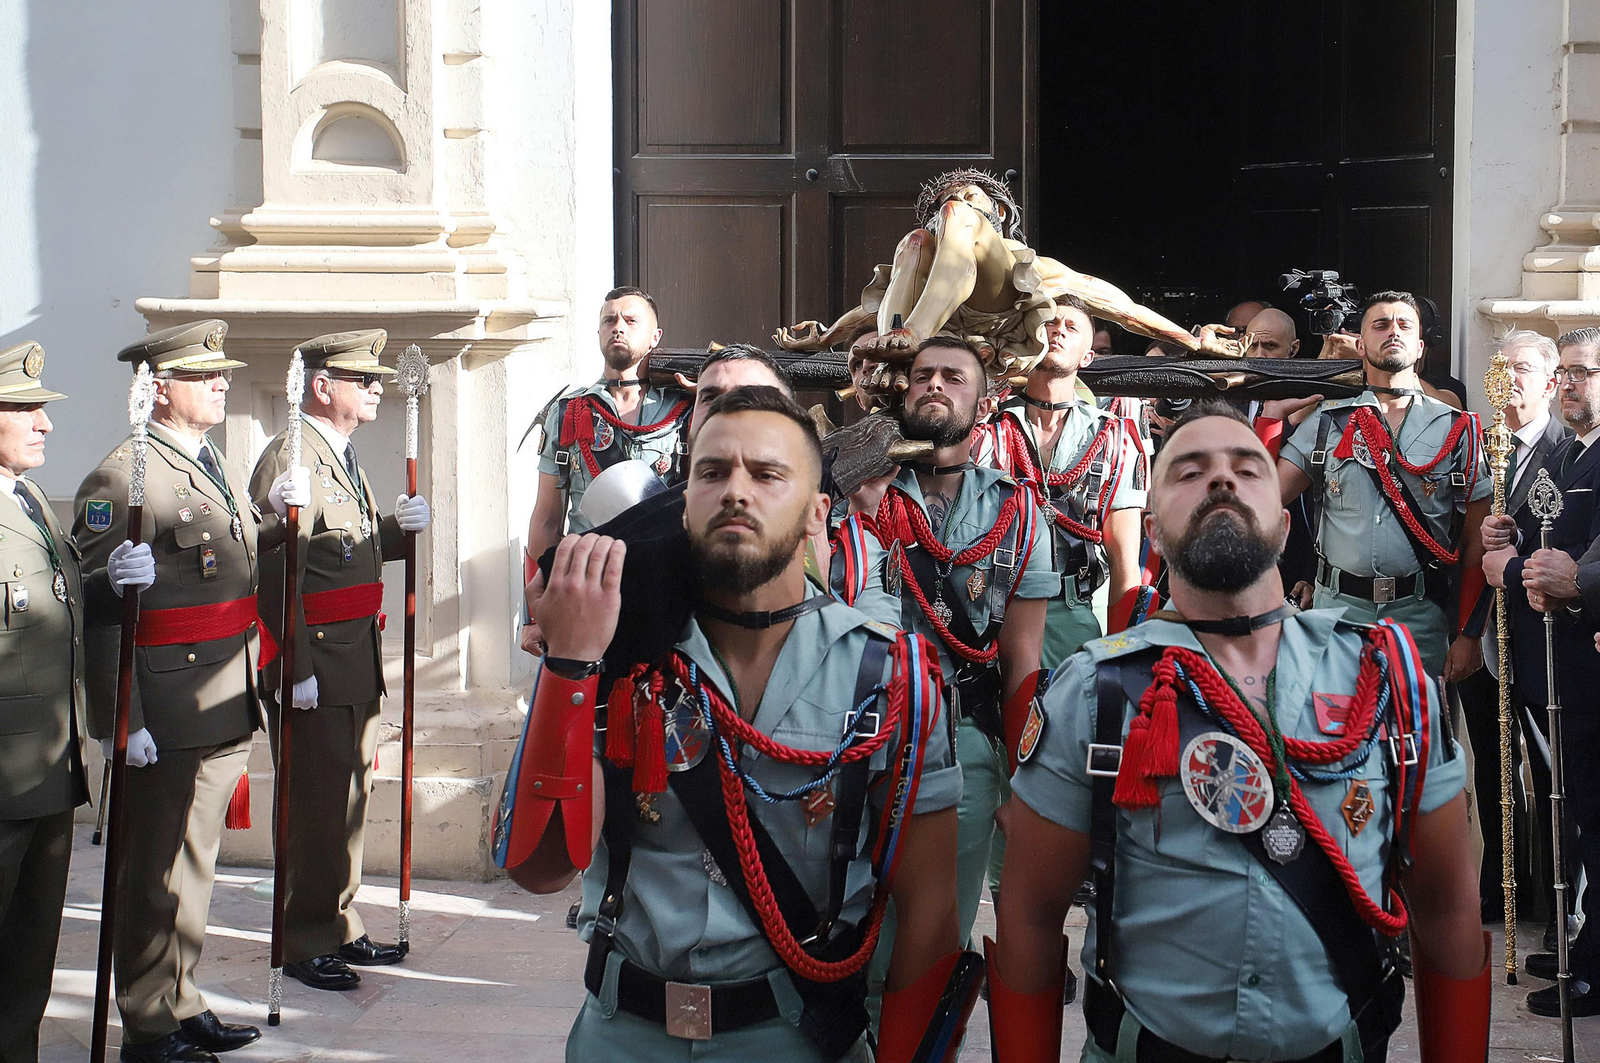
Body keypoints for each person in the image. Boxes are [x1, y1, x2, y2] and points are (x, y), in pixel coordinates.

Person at [986, 400, 1490, 1062]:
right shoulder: (1093, 692)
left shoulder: (1388, 679)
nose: (1221, 479)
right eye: (1188, 471)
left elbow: (1450, 911)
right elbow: (1029, 917)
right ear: (1154, 533)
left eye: (1247, 468)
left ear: (1284, 528)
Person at [507, 386, 965, 1060]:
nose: (735, 491)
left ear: (818, 513)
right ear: (683, 499)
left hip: (792, 1037)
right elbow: (538, 868)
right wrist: (571, 666)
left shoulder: (891, 675)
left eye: (768, 473)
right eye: (712, 472)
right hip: (624, 1035)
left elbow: (928, 917)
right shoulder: (615, 652)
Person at [74, 320, 305, 1063]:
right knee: (152, 869)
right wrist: (121, 717)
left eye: (223, 374)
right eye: (205, 375)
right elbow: (107, 609)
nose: (222, 383)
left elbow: (225, 562)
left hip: (221, 691)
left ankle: (182, 996)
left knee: (195, 862)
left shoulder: (208, 459)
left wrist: (272, 523)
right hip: (164, 709)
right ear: (160, 387)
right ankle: (147, 1018)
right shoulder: (123, 475)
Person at [853, 336, 1054, 949]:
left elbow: (1023, 661)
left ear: (986, 404)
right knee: (848, 919)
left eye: (954, 377)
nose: (934, 385)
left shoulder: (1016, 512)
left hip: (962, 738)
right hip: (860, 731)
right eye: (921, 375)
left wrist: (1025, 783)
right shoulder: (856, 491)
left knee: (936, 931)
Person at [248, 330, 432, 991]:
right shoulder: (291, 456)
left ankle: (338, 921)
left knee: (348, 801)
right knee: (315, 807)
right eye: (363, 378)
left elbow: (340, 551)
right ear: (323, 387)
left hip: (352, 656)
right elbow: (277, 569)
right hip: (315, 663)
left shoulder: (342, 456)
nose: (377, 387)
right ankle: (302, 939)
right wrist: (291, 665)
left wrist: (393, 529)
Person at [0, 343, 153, 1063]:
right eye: (25, 409)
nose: (44, 425)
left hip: (49, 772)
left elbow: (55, 610)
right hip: (3, 777)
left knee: (30, 954)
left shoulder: (27, 499)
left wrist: (108, 583)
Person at [1274, 291, 1491, 680]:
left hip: (1419, 618)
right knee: (1333, 735)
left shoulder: (1457, 428)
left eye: (1404, 325)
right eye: (1381, 324)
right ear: (1360, 343)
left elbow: (1478, 542)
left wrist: (1469, 634)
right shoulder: (1327, 421)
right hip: (1335, 614)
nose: (1394, 331)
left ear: (1420, 345)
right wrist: (1270, 423)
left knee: (1415, 738)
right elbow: (1267, 498)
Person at [1482, 325, 1600, 1015]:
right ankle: (1582, 951)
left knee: (1589, 809)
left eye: (1584, 372)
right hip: (1553, 661)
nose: (1572, 384)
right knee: (1577, 804)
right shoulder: (1580, 455)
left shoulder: (1580, 452)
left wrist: (1519, 566)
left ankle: (1589, 958)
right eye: (1571, 373)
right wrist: (1515, 542)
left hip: (1579, 660)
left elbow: (1577, 562)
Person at [975, 296, 1145, 665]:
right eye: (1049, 323)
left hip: (1071, 612)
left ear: (1087, 356)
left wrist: (1120, 659)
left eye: (1072, 328)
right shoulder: (988, 428)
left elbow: (1125, 564)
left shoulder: (1113, 437)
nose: (1058, 331)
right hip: (989, 607)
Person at [1463, 330, 1566, 924]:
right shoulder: (1482, 446)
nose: (1508, 377)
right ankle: (1505, 887)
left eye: (1521, 368)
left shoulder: (1565, 448)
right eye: (1499, 366)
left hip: (1542, 636)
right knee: (1493, 766)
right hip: (1486, 634)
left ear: (1551, 383)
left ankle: (1558, 913)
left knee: (1549, 770)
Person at [523, 287, 690, 616]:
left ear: (655, 337)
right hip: (587, 584)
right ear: (599, 331)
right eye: (609, 320)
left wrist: (713, 394)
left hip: (663, 583)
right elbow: (546, 520)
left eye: (631, 320)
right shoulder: (568, 412)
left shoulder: (685, 409)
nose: (618, 327)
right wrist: (535, 616)